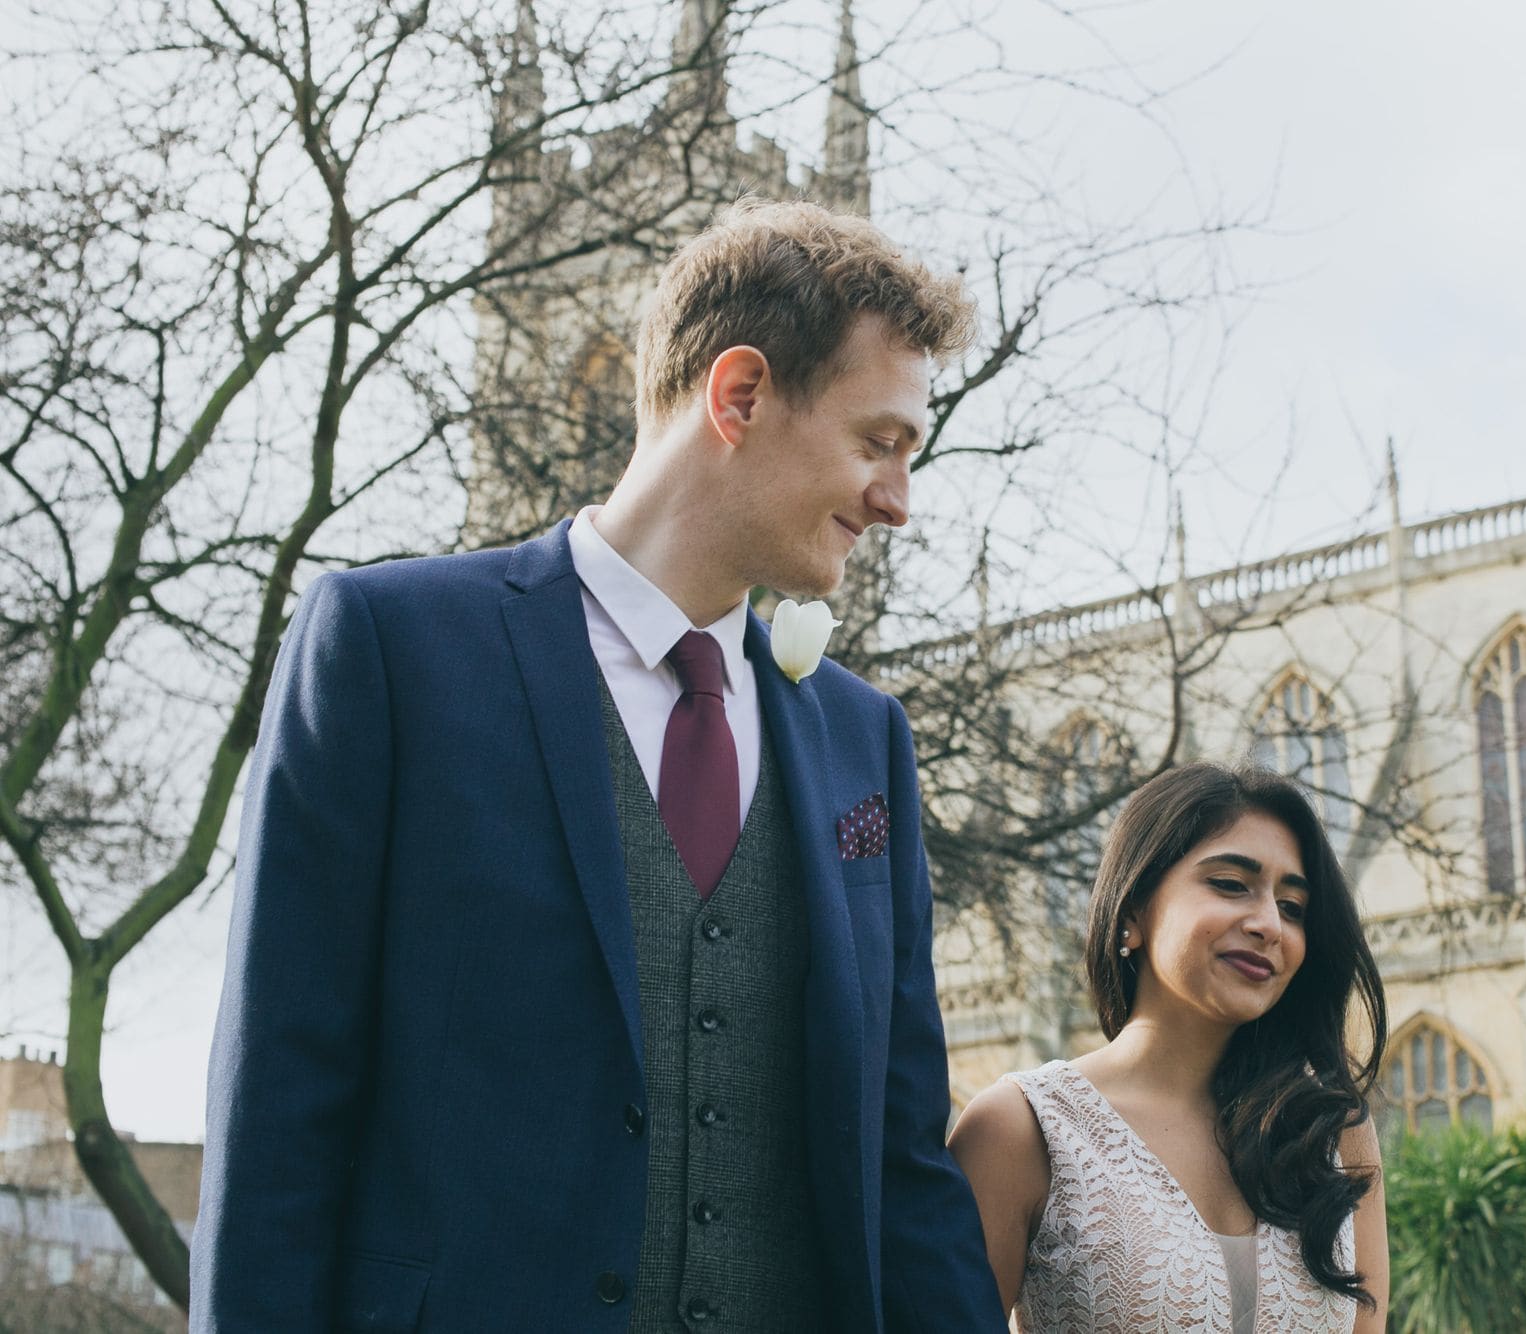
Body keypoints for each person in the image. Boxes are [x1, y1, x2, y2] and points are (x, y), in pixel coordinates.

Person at [191, 199, 1008, 1333]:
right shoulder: (390, 647)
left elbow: (901, 1162)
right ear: (739, 395)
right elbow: (281, 1106)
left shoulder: (862, 738)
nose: (897, 501)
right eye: (878, 442)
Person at [950, 763, 1390, 1332]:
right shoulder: (1022, 1128)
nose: (1268, 924)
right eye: (1231, 884)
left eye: (1292, 908)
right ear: (1132, 911)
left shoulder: (1331, 1130)